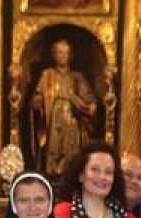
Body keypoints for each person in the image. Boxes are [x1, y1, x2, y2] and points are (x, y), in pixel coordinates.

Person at [32, 39, 98, 179]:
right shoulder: (47, 75)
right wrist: (38, 100)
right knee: (53, 149)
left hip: (71, 120)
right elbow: (37, 97)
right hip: (53, 120)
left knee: (70, 151)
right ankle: (52, 176)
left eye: (65, 53)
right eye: (59, 52)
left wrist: (85, 104)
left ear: (70, 55)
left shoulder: (77, 77)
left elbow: (89, 99)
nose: (62, 56)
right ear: (54, 55)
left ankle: (70, 176)